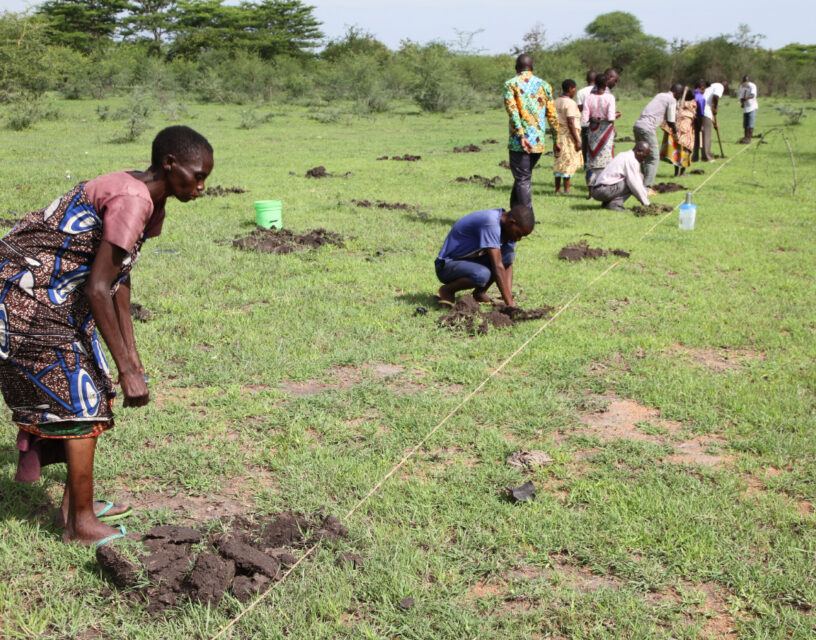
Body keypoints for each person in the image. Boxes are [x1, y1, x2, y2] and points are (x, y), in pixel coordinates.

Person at [1, 125, 214, 545]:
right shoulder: (133, 200)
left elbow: (118, 277)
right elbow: (98, 288)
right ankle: (80, 525)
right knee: (81, 399)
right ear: (169, 164)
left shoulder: (150, 199)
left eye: (206, 177)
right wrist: (126, 369)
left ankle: (75, 504)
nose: (202, 186)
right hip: (25, 297)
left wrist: (131, 358)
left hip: (58, 296)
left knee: (90, 389)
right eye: (196, 175)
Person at [435, 205, 534, 307]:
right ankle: (446, 290)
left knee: (508, 255)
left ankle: (479, 293)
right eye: (518, 234)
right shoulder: (490, 222)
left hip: (471, 261)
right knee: (482, 275)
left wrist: (509, 303)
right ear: (512, 222)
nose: (518, 239)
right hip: (447, 265)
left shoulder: (508, 230)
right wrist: (510, 306)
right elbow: (498, 267)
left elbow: (507, 263)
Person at [504, 54, 560, 213]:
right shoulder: (544, 85)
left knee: (522, 179)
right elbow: (553, 115)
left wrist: (521, 136)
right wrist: (557, 140)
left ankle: (527, 218)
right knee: (522, 178)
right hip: (538, 142)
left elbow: (513, 112)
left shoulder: (511, 84)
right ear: (532, 67)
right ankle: (514, 213)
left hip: (519, 142)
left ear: (516, 68)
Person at [633, 83, 684, 192]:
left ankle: (640, 184)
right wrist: (675, 129)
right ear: (678, 93)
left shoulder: (660, 95)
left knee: (642, 157)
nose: (680, 97)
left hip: (638, 126)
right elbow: (670, 120)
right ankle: (647, 188)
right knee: (653, 158)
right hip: (647, 128)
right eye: (680, 95)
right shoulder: (672, 100)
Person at [581, 72, 618, 189]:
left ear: (595, 84)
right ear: (606, 84)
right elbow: (611, 117)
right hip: (605, 130)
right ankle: (602, 187)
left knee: (592, 160)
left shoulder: (589, 98)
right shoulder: (609, 98)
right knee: (605, 160)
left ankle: (590, 190)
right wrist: (616, 116)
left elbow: (585, 118)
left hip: (593, 129)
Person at [589, 141, 651, 211]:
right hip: (602, 190)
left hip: (598, 189)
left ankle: (607, 204)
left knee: (638, 177)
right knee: (630, 183)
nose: (643, 160)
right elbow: (635, 184)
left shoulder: (624, 155)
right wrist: (646, 204)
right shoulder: (631, 159)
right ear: (639, 151)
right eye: (644, 156)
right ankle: (614, 204)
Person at [554, 79, 583, 194]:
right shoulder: (570, 103)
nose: (574, 92)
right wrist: (577, 140)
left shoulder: (556, 101)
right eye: (574, 89)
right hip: (568, 135)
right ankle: (566, 189)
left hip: (558, 134)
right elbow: (570, 122)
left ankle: (557, 189)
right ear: (570, 89)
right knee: (567, 160)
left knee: (558, 159)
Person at [660, 89, 697, 177]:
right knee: (686, 149)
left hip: (676, 128)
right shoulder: (693, 104)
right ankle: (682, 172)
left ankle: (676, 172)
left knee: (677, 150)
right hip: (686, 129)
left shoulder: (678, 103)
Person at [702, 80, 729, 162]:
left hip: (700, 109)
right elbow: (716, 96)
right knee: (707, 135)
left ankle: (702, 155)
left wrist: (714, 123)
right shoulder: (720, 87)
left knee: (702, 134)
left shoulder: (711, 86)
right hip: (705, 110)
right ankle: (707, 157)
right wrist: (715, 107)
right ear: (725, 87)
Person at [575, 70, 596, 168]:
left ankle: (586, 164)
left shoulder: (580, 92)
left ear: (586, 80)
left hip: (585, 122)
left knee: (585, 145)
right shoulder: (601, 91)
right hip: (597, 122)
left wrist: (586, 105)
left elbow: (579, 108)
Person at [691, 79, 707, 162]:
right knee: (696, 138)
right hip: (696, 119)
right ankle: (695, 157)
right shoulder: (700, 98)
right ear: (701, 88)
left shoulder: (689, 94)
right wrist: (701, 125)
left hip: (685, 119)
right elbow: (700, 113)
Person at [738, 75, 758, 142]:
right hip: (746, 108)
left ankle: (749, 138)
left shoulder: (752, 86)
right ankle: (745, 137)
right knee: (745, 124)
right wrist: (742, 103)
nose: (745, 82)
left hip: (752, 107)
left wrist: (746, 98)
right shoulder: (741, 87)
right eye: (744, 81)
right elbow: (741, 97)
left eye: (746, 81)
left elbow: (752, 95)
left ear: (749, 81)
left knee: (750, 124)